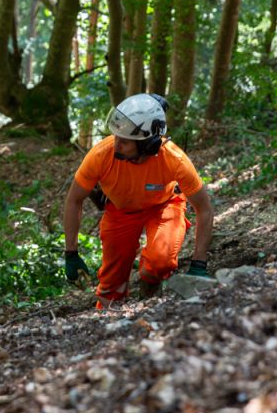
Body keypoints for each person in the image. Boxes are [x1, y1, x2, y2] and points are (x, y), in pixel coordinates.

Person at [62, 93, 215, 308]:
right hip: (120, 210)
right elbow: (74, 200)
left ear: (148, 144)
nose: (116, 146)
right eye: (116, 138)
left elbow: (204, 209)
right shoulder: (101, 155)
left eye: (124, 142)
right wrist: (71, 252)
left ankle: (149, 294)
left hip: (164, 205)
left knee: (159, 263)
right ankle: (107, 324)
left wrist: (199, 263)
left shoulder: (174, 160)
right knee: (110, 286)